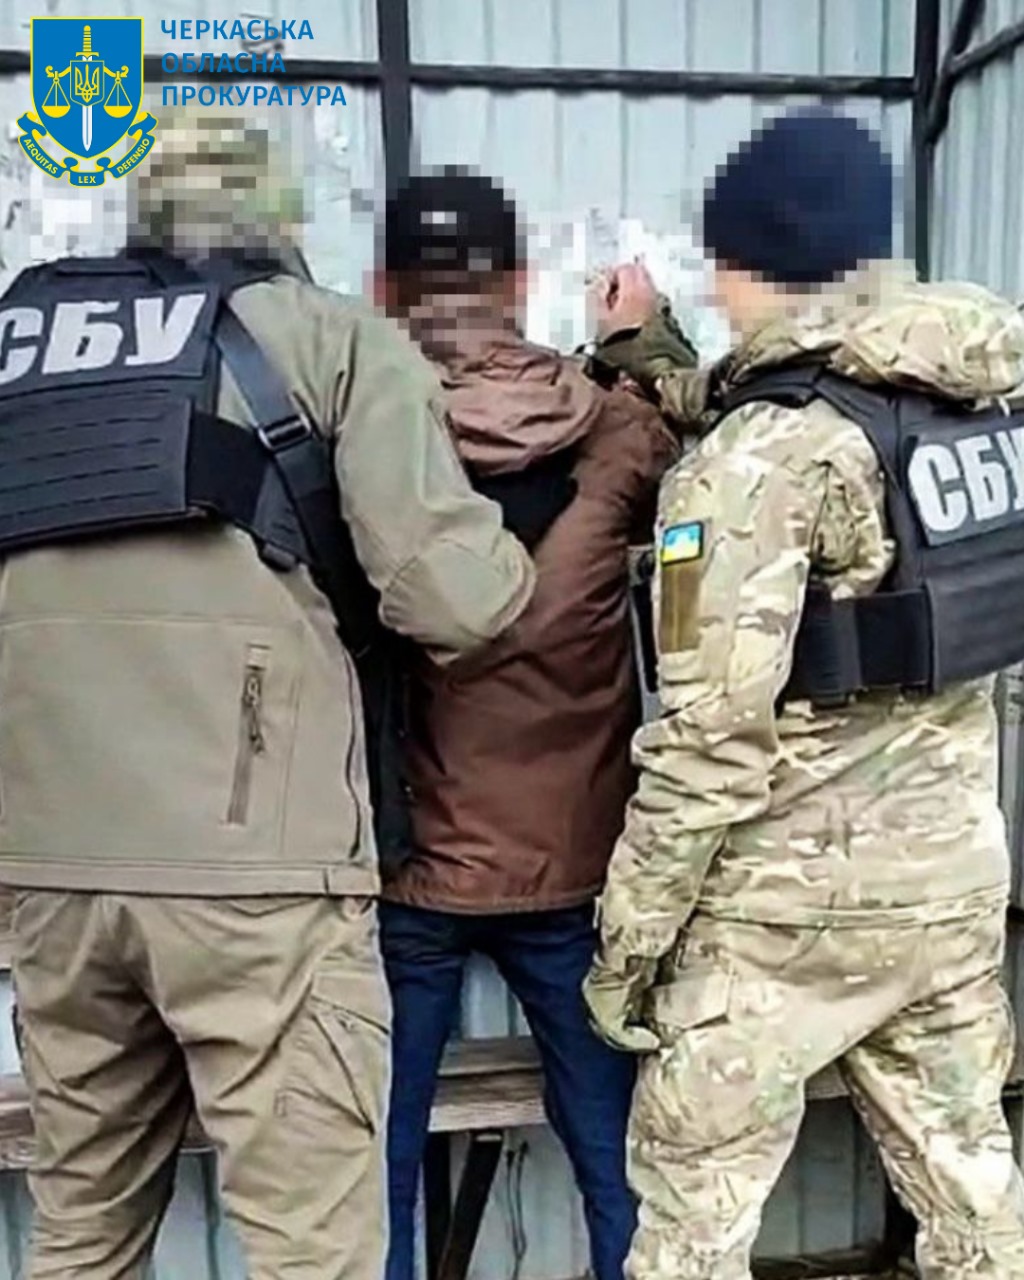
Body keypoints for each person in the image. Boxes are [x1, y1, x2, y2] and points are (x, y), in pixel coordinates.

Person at [0, 113, 536, 1280]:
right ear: (282, 222)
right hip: (255, 872)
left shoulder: (17, 348)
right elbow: (456, 601)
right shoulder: (326, 337)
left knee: (82, 1229)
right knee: (313, 1247)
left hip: (46, 866)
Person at [583, 108, 1024, 1279]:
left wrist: (626, 947)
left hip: (779, 922)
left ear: (744, 259)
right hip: (948, 893)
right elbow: (787, 396)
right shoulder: (979, 404)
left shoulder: (751, 465)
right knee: (978, 1214)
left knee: (689, 1239)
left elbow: (705, 744)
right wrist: (649, 354)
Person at [374, 169, 680, 1280]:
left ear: (383, 289)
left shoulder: (361, 434)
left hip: (410, 872)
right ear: (519, 281)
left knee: (373, 1160)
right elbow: (713, 443)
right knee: (616, 1156)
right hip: (574, 866)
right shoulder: (619, 432)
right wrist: (637, 347)